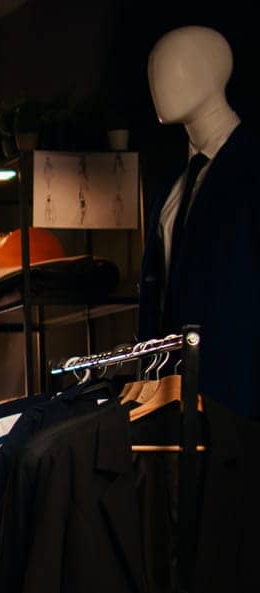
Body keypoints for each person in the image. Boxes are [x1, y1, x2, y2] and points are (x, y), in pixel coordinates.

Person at [138, 24, 260, 418]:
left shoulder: (252, 169)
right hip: (175, 407)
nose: (160, 81)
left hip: (240, 403)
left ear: (213, 70)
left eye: (175, 66)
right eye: (153, 70)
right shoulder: (172, 192)